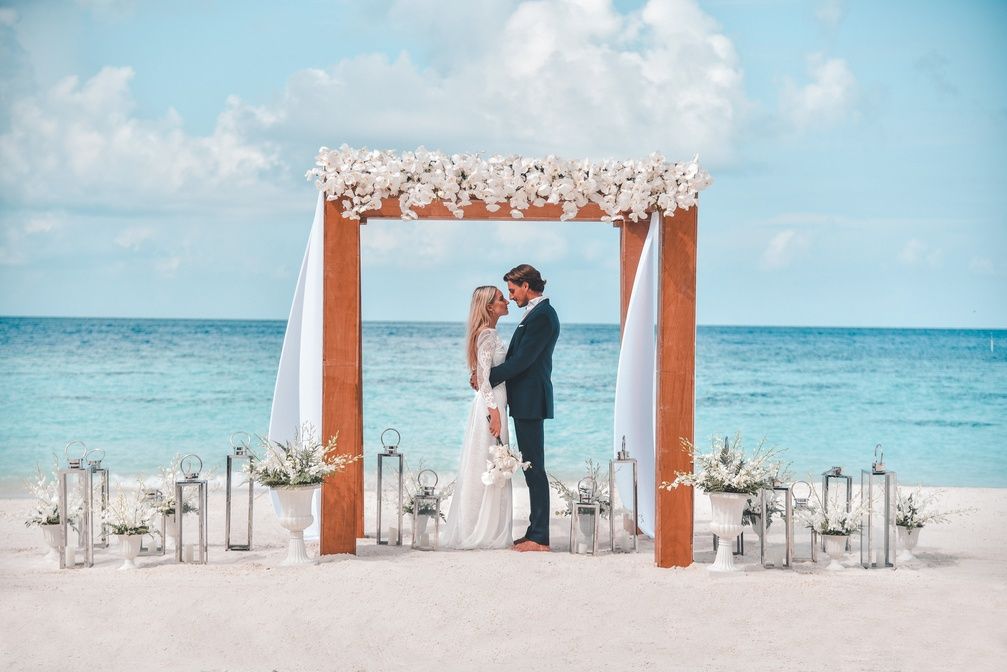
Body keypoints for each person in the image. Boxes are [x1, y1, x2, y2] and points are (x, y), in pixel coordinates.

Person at [489, 264, 560, 553]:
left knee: (534, 467)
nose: (512, 296)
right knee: (531, 467)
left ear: (527, 286)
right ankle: (534, 530)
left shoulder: (543, 316)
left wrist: (487, 377)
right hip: (526, 401)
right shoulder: (536, 314)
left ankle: (540, 537)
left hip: (531, 401)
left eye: (513, 290)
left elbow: (522, 362)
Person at [441, 286, 513, 549]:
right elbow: (483, 379)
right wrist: (493, 412)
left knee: (491, 464)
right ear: (489, 307)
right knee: (488, 464)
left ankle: (488, 527)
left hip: (494, 403)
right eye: (501, 299)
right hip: (490, 405)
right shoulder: (487, 334)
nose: (506, 301)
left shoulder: (488, 333)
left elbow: (480, 372)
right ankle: (480, 529)